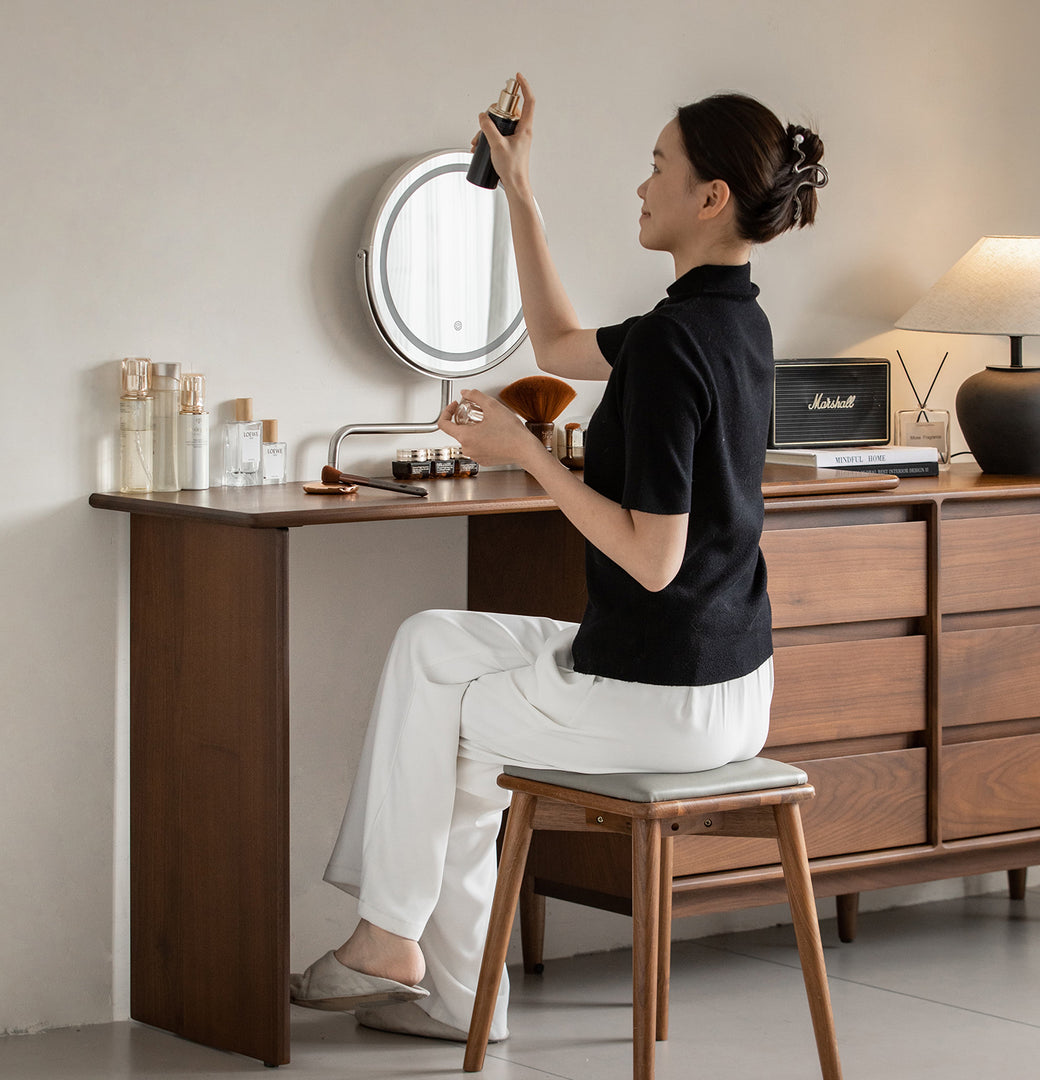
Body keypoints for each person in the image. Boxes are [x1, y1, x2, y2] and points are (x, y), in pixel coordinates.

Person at [291, 74, 827, 1043]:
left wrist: (526, 454)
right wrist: (518, 186)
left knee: (440, 733)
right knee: (432, 646)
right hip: (728, 682)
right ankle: (425, 971)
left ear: (709, 197)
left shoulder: (674, 346)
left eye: (657, 165)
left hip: (658, 701)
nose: (640, 185)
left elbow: (654, 560)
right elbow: (555, 340)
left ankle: (408, 954)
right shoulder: (731, 322)